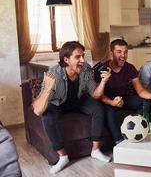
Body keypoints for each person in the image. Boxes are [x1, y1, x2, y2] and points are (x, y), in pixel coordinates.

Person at [32, 41, 111, 174]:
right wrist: (48, 89)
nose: (82, 60)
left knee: (97, 108)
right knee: (47, 116)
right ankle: (63, 157)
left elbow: (95, 95)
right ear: (66, 59)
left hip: (78, 99)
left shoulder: (86, 68)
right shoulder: (54, 73)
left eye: (83, 56)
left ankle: (95, 150)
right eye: (78, 57)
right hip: (58, 103)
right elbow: (38, 110)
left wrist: (103, 81)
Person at [94, 39, 151, 145]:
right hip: (107, 100)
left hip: (123, 99)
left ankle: (136, 129)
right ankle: (119, 141)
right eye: (119, 52)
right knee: (108, 111)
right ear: (111, 53)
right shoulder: (101, 69)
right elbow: (98, 94)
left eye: (125, 52)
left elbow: (140, 90)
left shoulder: (130, 68)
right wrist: (112, 102)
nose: (123, 55)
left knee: (145, 102)